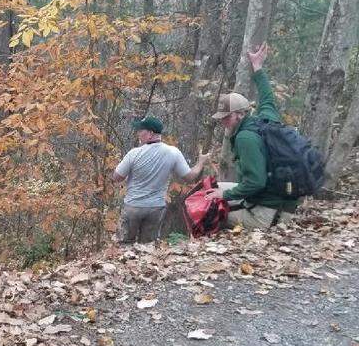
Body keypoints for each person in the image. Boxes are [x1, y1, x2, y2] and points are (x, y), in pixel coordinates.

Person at [206, 43, 298, 229]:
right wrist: (257, 67)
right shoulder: (266, 119)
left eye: (227, 117)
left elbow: (256, 182)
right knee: (210, 190)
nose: (223, 122)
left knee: (210, 209)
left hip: (265, 214)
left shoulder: (245, 138)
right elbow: (267, 96)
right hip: (282, 202)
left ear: (241, 114)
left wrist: (224, 196)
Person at [112, 116, 207, 244]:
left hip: (133, 207)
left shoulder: (134, 153)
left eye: (141, 130)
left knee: (124, 245)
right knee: (147, 248)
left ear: (150, 133)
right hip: (155, 208)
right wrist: (201, 162)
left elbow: (117, 177)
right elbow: (190, 177)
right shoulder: (173, 152)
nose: (138, 134)